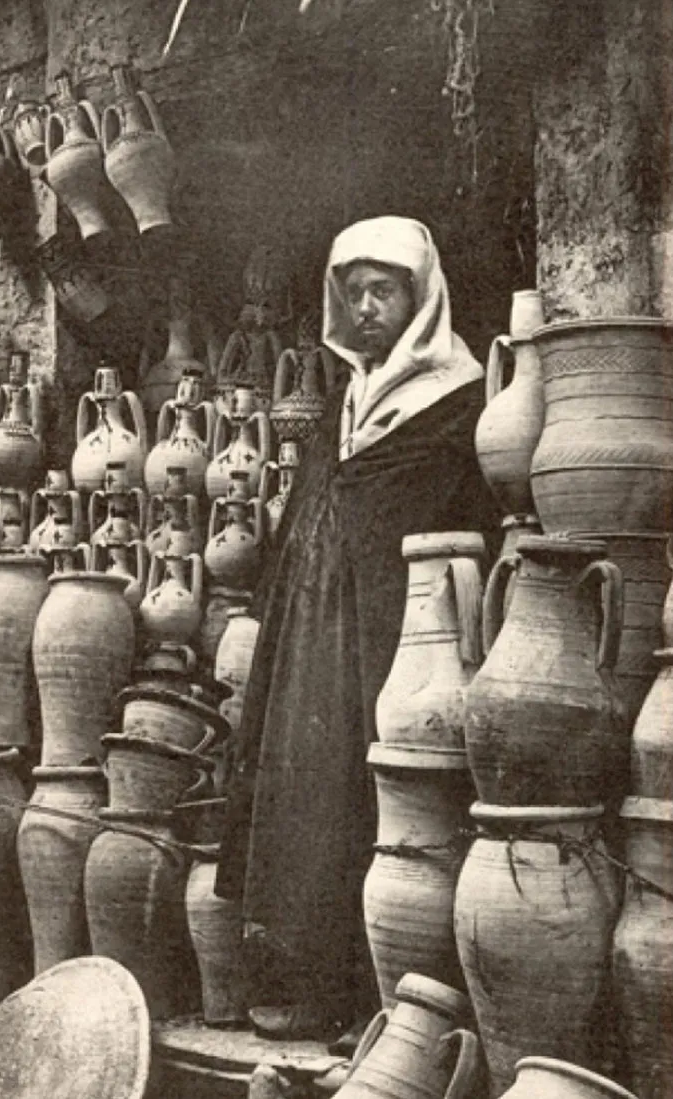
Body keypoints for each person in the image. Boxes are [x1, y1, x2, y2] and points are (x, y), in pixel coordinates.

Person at [216, 215, 501, 1040]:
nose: (369, 308)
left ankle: (392, 1005)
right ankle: (305, 984)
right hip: (315, 639)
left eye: (386, 291)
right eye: (355, 294)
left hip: (397, 640)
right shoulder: (345, 401)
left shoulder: (461, 400)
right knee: (307, 796)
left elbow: (468, 525)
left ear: (420, 297)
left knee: (387, 809)